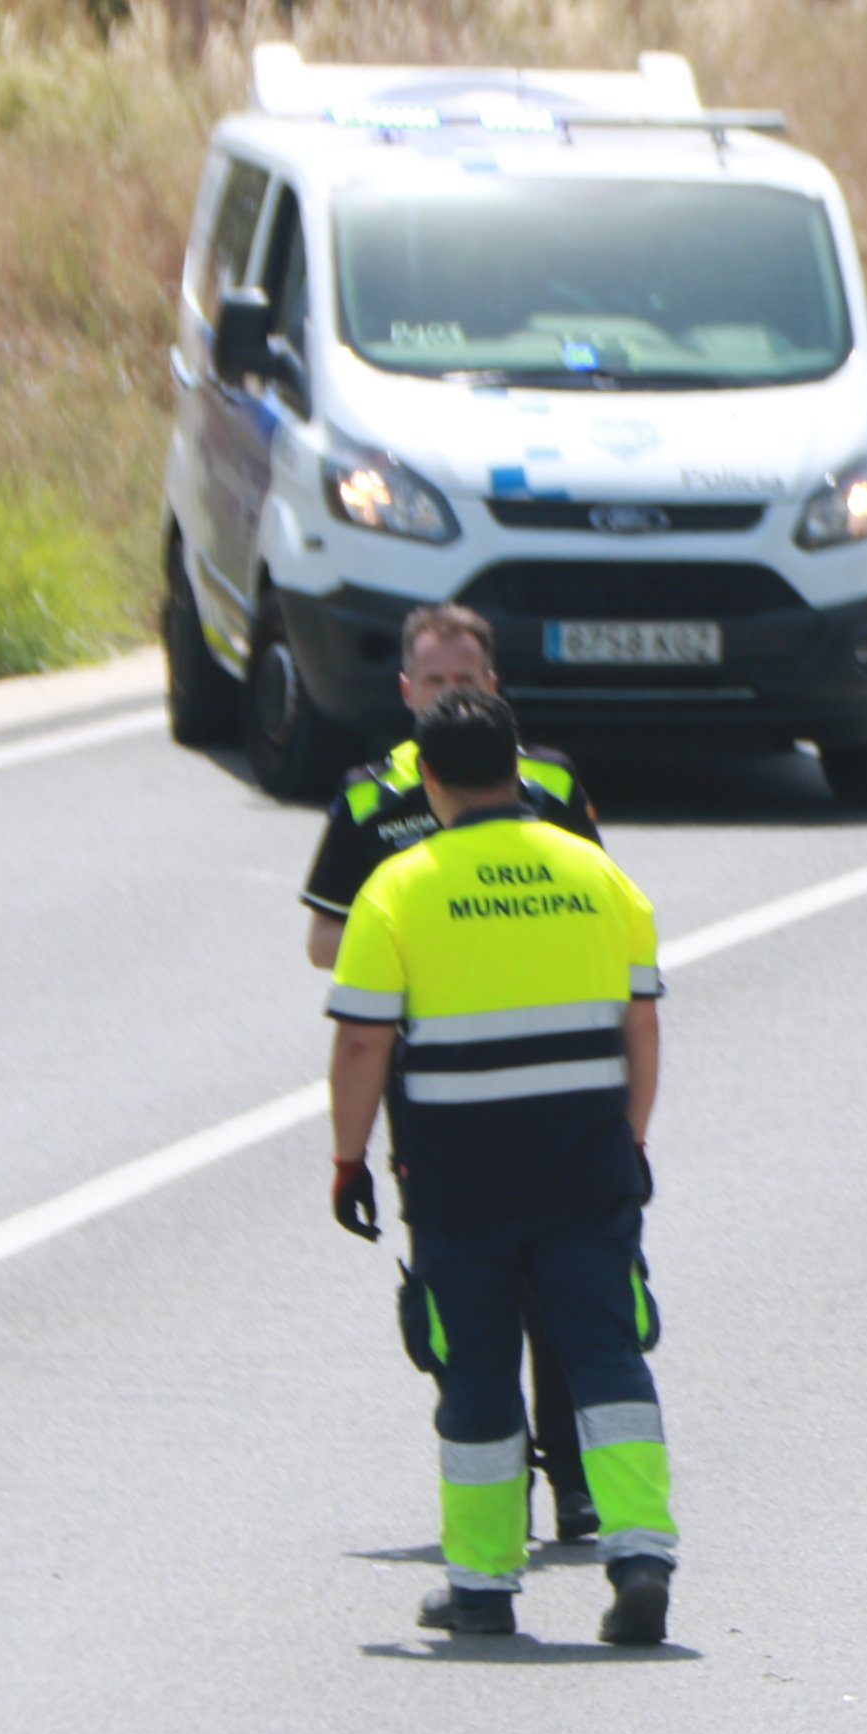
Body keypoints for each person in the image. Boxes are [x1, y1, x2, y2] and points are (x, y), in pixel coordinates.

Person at [323, 691, 678, 1646]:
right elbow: (640, 1023)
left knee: (474, 1365)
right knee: (606, 1351)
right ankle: (640, 1553)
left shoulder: (397, 887)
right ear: (519, 770)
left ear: (429, 781)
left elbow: (363, 1046)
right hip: (585, 1161)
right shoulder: (600, 877)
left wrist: (349, 1160)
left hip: (458, 1172)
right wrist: (630, 1137)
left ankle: (483, 1586)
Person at [302, 601, 608, 1545]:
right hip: (433, 1087)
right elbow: (324, 938)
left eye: (466, 681)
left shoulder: (549, 782)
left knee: (569, 1290)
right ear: (405, 692)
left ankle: (575, 1478)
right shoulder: (368, 799)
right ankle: (496, 1474)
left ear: (494, 686)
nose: (449, 694)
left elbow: (599, 908)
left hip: (558, 1073)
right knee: (465, 1294)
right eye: (433, 682)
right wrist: (422, 937)